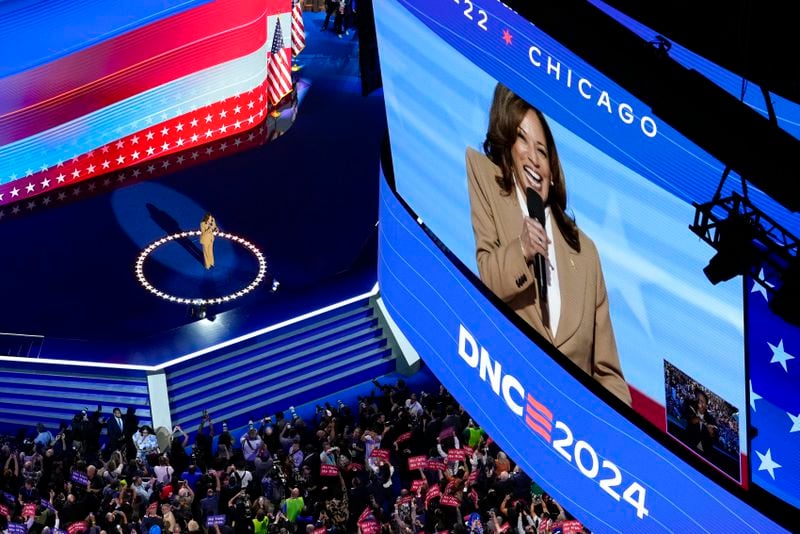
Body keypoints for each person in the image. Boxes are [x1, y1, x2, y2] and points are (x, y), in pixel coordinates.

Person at [466, 82, 631, 405]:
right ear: (509, 152)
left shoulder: (586, 253)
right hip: (513, 403)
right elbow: (487, 277)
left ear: (553, 171)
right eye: (521, 140)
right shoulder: (484, 177)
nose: (532, 157)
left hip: (574, 429)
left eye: (542, 150)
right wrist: (522, 250)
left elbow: (608, 373)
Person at [681, 388, 719, 459]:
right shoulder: (690, 407)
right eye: (697, 399)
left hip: (703, 455)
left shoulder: (711, 419)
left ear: (706, 405)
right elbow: (689, 419)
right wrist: (699, 419)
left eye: (702, 401)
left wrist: (711, 432)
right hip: (687, 446)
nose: (699, 402)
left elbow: (715, 438)